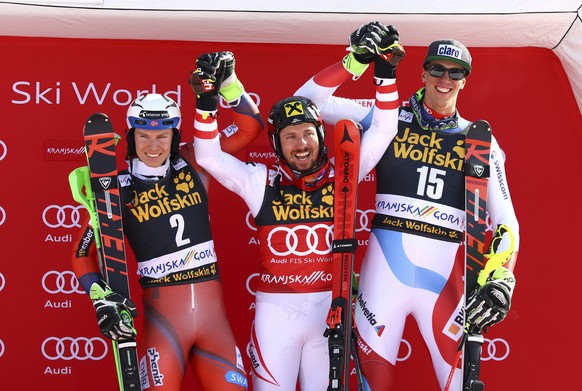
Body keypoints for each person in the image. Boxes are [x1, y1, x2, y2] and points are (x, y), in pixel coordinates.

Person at [295, 23, 520, 391]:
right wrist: (354, 63)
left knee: (462, 383)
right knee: (373, 381)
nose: (444, 79)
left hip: (443, 278)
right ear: (423, 72)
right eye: (436, 69)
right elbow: (307, 105)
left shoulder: (479, 140)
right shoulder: (387, 116)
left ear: (465, 80)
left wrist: (503, 278)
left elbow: (507, 220)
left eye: (455, 72)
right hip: (383, 275)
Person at [190, 27, 403, 391]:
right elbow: (208, 155)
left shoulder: (346, 171)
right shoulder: (260, 182)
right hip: (276, 315)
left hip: (329, 310)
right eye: (290, 136)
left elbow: (385, 128)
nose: (300, 143)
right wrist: (208, 104)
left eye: (307, 132)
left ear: (322, 136)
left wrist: (385, 72)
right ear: (277, 144)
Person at [71, 53, 264, 391]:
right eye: (143, 135)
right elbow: (81, 252)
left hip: (213, 324)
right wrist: (100, 297)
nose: (153, 145)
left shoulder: (197, 160)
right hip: (163, 327)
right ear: (131, 136)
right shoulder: (114, 188)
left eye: (162, 136)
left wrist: (229, 84)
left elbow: (251, 128)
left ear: (175, 136)